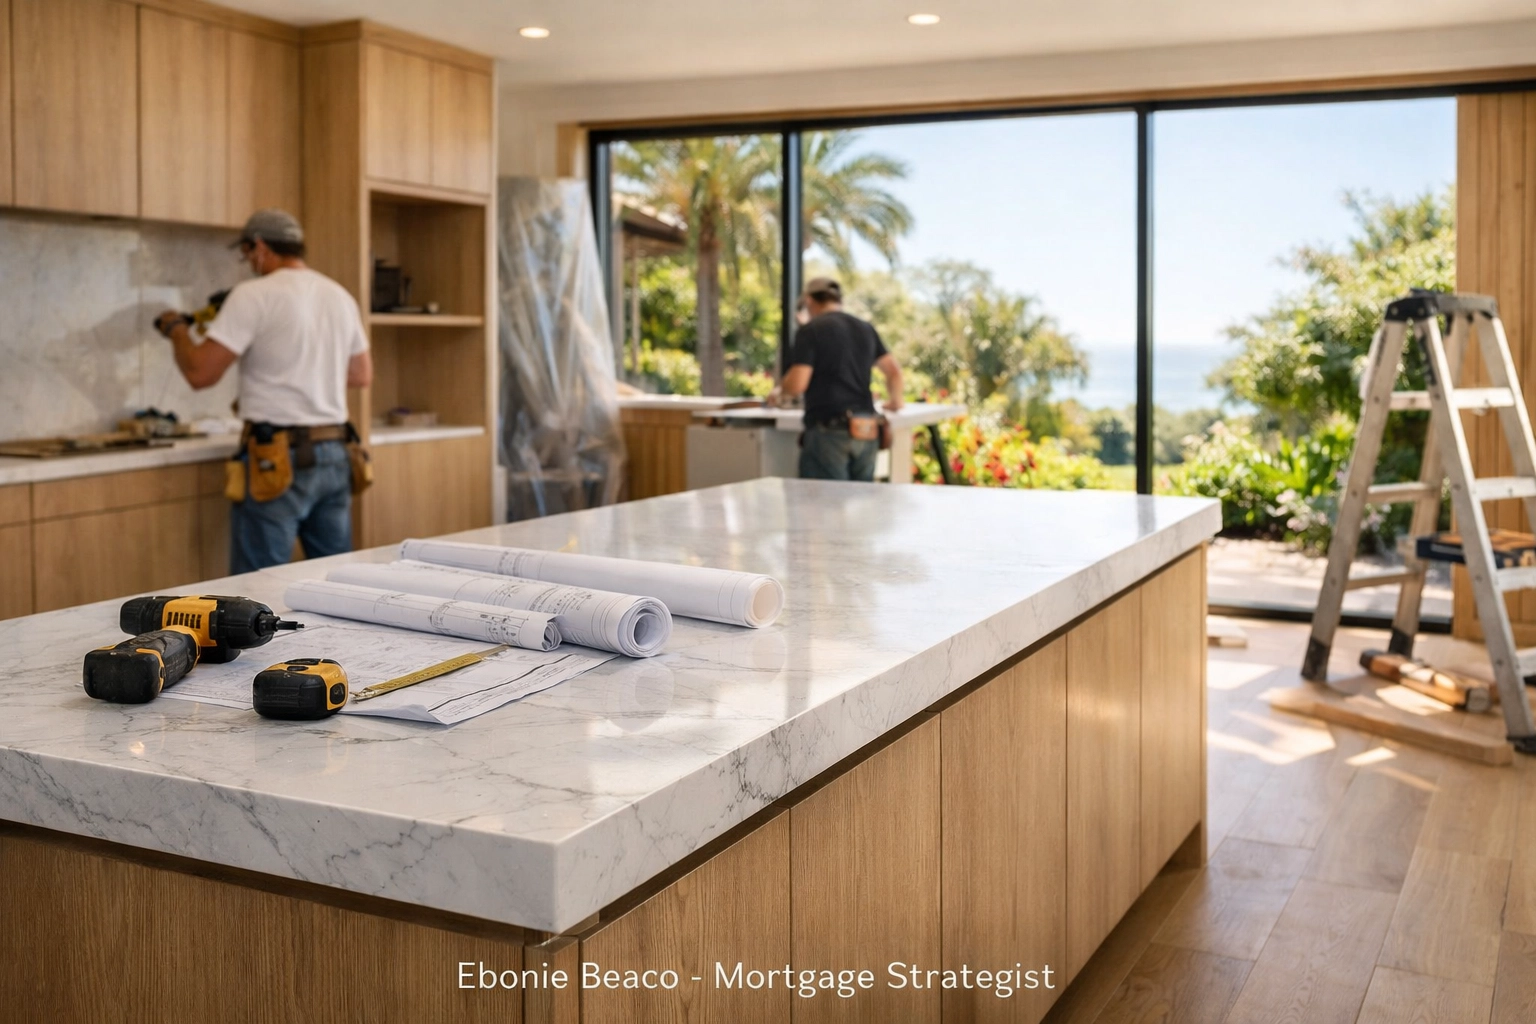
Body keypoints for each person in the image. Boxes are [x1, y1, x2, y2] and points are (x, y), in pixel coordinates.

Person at [155, 209, 373, 573]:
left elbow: (200, 373)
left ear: (258, 246)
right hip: (336, 452)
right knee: (337, 584)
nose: (248, 263)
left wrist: (177, 330)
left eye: (246, 253)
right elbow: (361, 374)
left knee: (256, 592)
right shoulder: (339, 295)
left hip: (277, 458)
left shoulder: (253, 295)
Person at [778, 277, 903, 481]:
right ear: (839, 300)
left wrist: (781, 389)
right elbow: (894, 371)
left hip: (829, 431)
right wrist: (896, 401)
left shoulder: (811, 330)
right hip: (866, 429)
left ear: (809, 301)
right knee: (861, 506)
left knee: (825, 507)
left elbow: (797, 384)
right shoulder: (865, 328)